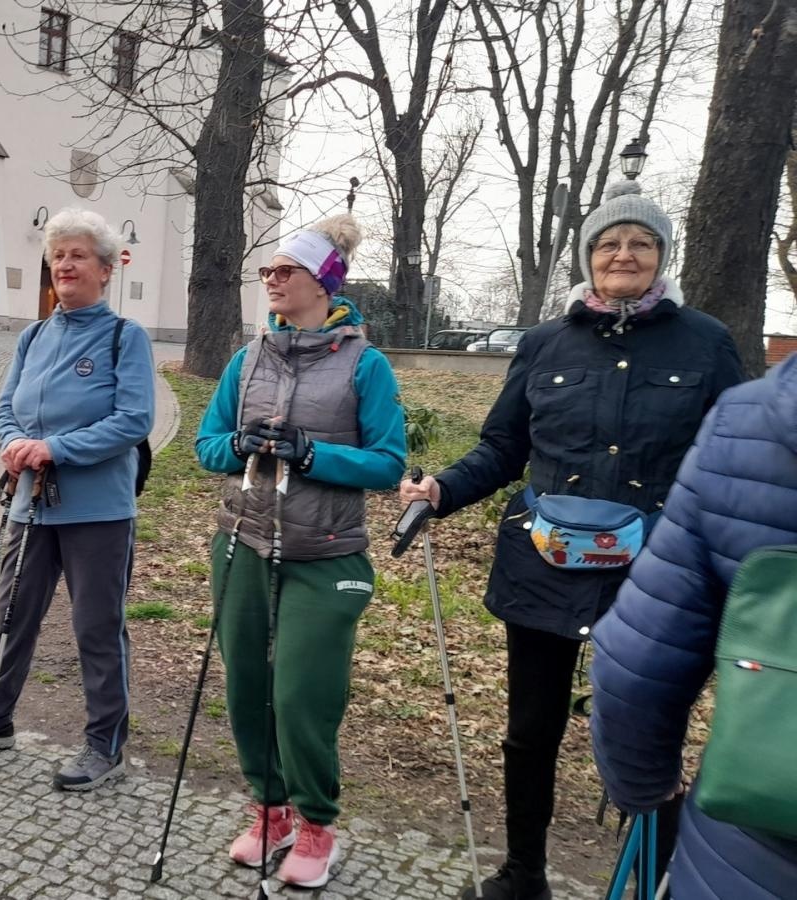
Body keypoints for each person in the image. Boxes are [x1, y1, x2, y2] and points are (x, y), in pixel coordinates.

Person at [398, 179, 744, 900]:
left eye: (640, 243)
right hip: (544, 566)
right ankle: (523, 875)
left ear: (662, 256)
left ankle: (649, 881)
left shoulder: (706, 343)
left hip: (656, 576)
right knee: (530, 732)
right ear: (588, 258)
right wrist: (443, 491)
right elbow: (502, 445)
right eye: (609, 243)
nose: (624, 254)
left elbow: (729, 459)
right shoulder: (545, 343)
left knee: (651, 737)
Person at [193, 214, 407, 888]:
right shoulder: (247, 358)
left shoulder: (365, 365)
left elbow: (388, 461)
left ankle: (317, 822)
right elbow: (206, 445)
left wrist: (314, 454)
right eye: (268, 272)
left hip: (327, 552)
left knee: (300, 695)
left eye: (285, 271)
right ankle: (270, 810)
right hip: (243, 542)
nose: (272, 281)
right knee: (248, 689)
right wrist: (241, 445)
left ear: (323, 282)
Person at [0, 207, 155, 792]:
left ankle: (106, 743)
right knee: (11, 615)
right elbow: (5, 408)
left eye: (78, 255)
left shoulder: (125, 338)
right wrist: (13, 444)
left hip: (98, 511)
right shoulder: (33, 334)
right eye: (58, 256)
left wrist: (55, 448)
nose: (65, 264)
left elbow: (133, 420)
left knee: (96, 629)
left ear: (106, 270)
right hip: (30, 505)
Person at [588, 355, 797, 899]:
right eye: (600, 258)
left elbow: (631, 670)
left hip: (751, 846)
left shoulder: (740, 409)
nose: (620, 261)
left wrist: (644, 789)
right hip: (549, 570)